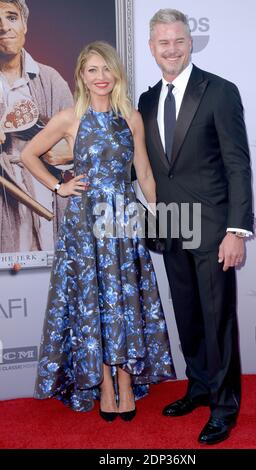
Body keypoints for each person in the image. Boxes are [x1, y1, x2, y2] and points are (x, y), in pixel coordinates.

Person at [21, 40, 175, 421]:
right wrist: (59, 185)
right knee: (93, 303)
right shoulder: (69, 116)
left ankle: (126, 382)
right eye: (92, 70)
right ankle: (105, 384)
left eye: (106, 69)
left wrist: (163, 217)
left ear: (115, 73)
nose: (101, 77)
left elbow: (143, 173)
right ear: (82, 76)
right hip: (85, 225)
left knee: (123, 303)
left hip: (122, 221)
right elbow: (28, 155)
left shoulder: (131, 117)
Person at [138, 9, 253, 444]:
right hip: (170, 226)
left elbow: (238, 167)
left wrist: (236, 231)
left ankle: (225, 407)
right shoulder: (147, 100)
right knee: (187, 317)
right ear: (152, 48)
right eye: (163, 43)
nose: (172, 49)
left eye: (179, 41)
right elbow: (149, 167)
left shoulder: (220, 92)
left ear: (191, 43)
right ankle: (200, 387)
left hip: (213, 230)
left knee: (217, 320)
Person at [0, 0, 73, 254]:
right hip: (3, 195)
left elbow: (76, 139)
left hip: (43, 193)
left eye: (11, 17)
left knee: (47, 270)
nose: (3, 27)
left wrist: (66, 152)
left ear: (24, 25)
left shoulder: (50, 79)